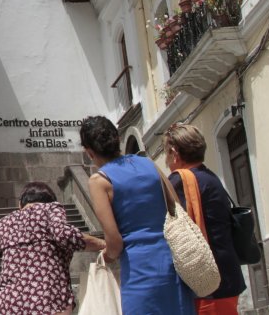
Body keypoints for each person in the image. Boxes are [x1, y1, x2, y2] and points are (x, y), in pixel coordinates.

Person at [81, 115, 194, 315]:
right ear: (117, 139)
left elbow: (114, 243)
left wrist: (105, 256)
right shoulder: (148, 163)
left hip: (139, 273)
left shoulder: (99, 181)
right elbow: (176, 206)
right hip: (172, 264)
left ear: (89, 152)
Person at [0, 181, 106, 315]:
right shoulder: (50, 209)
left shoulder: (3, 223)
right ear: (51, 201)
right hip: (49, 303)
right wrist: (103, 244)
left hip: (9, 305)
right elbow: (64, 234)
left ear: (20, 205)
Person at [164, 123, 247, 314]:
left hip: (206, 281)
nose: (168, 162)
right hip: (225, 275)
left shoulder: (179, 181)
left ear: (174, 152)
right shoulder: (209, 176)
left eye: (167, 155)